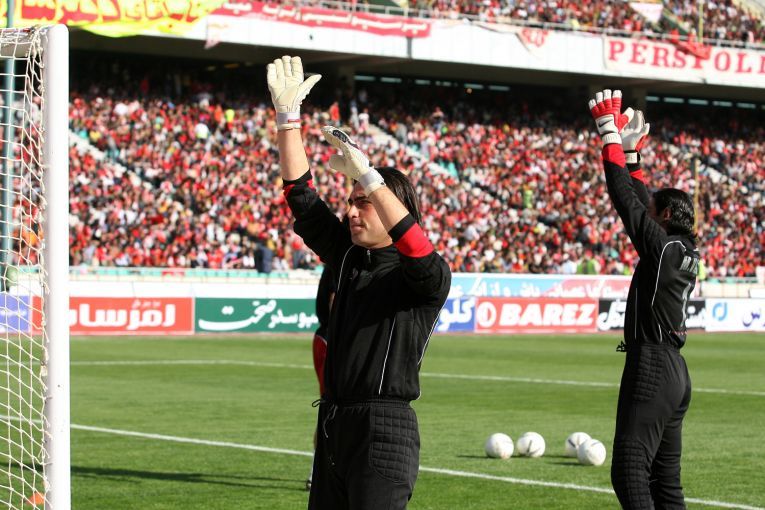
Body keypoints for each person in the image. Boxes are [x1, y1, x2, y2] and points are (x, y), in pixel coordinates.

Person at [267, 55, 451, 510]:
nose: (350, 210)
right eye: (350, 201)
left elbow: (419, 250)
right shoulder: (349, 256)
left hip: (383, 431)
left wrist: (370, 177)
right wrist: (287, 120)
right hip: (334, 425)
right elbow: (301, 196)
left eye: (362, 202)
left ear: (391, 207)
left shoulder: (423, 277)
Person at [588, 89, 699, 509]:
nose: (646, 211)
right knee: (664, 483)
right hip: (676, 372)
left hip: (651, 364)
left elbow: (626, 201)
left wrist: (609, 135)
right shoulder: (682, 250)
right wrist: (632, 155)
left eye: (653, 210)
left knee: (630, 471)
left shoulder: (663, 248)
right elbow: (641, 201)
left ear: (665, 217)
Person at [306, 264, 335, 492]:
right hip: (331, 339)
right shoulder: (341, 262)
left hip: (325, 337)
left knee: (330, 406)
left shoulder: (336, 261)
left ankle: (319, 471)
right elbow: (334, 301)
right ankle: (318, 472)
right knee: (331, 406)